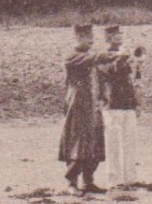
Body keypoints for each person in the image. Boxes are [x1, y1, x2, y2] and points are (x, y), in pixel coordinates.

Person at [58, 24, 107, 194]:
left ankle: (88, 181)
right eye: (87, 37)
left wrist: (102, 96)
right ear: (77, 38)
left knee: (95, 142)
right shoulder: (71, 56)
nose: (91, 40)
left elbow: (100, 76)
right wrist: (112, 55)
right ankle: (72, 183)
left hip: (92, 104)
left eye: (91, 36)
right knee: (77, 142)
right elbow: (94, 59)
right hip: (77, 104)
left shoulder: (89, 56)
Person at [97, 24, 143, 187]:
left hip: (127, 103)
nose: (120, 38)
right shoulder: (103, 56)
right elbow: (111, 70)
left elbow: (132, 81)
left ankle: (131, 178)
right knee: (113, 143)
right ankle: (115, 180)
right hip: (112, 103)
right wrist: (122, 57)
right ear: (108, 39)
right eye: (116, 36)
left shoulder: (124, 56)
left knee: (130, 142)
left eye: (120, 35)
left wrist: (136, 103)